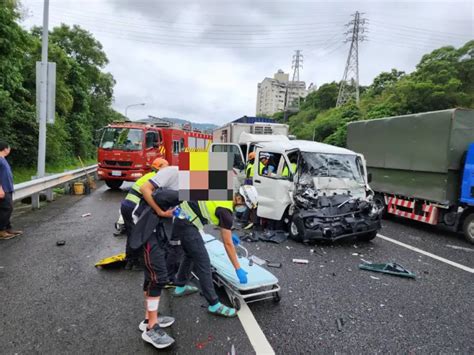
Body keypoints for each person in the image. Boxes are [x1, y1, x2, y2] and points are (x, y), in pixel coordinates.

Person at [172, 197, 248, 317]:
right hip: (187, 224)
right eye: (244, 205)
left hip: (180, 216)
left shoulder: (224, 194)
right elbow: (228, 244)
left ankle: (180, 286)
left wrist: (228, 232)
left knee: (190, 254)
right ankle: (214, 304)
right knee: (203, 262)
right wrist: (238, 268)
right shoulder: (226, 211)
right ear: (239, 198)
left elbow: (212, 211)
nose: (244, 209)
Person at [137, 163, 180, 349]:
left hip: (160, 228)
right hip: (146, 226)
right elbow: (144, 188)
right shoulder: (174, 172)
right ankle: (151, 329)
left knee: (151, 275)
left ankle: (149, 319)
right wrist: (160, 211)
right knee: (158, 276)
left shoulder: (197, 185)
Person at [120, 158, 168, 270]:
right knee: (139, 234)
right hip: (134, 207)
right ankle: (137, 262)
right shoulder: (156, 178)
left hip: (126, 206)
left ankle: (130, 261)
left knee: (131, 233)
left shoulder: (148, 175)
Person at [0, 141, 22, 240]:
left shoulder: (3, 159)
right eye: (8, 148)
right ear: (5, 149)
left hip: (8, 188)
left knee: (7, 208)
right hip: (3, 189)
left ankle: (8, 228)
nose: (9, 150)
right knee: (6, 209)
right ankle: (1, 231)